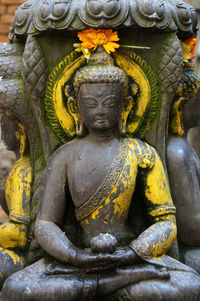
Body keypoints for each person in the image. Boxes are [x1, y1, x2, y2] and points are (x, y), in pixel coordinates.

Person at [3, 47, 200, 301]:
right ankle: (111, 284)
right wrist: (74, 255)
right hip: (75, 263)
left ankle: (107, 283)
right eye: (90, 104)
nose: (100, 111)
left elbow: (165, 222)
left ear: (125, 105)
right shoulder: (65, 155)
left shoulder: (141, 153)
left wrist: (131, 253)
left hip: (130, 258)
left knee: (191, 285)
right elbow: (45, 223)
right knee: (17, 289)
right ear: (75, 107)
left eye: (109, 103)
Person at [167, 87, 200, 272]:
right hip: (189, 250)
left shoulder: (185, 146)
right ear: (180, 105)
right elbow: (191, 229)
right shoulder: (177, 152)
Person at [0, 114, 32, 288]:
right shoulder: (20, 166)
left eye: (5, 128)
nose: (3, 135)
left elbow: (20, 234)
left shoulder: (23, 170)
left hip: (22, 257)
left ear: (21, 130)